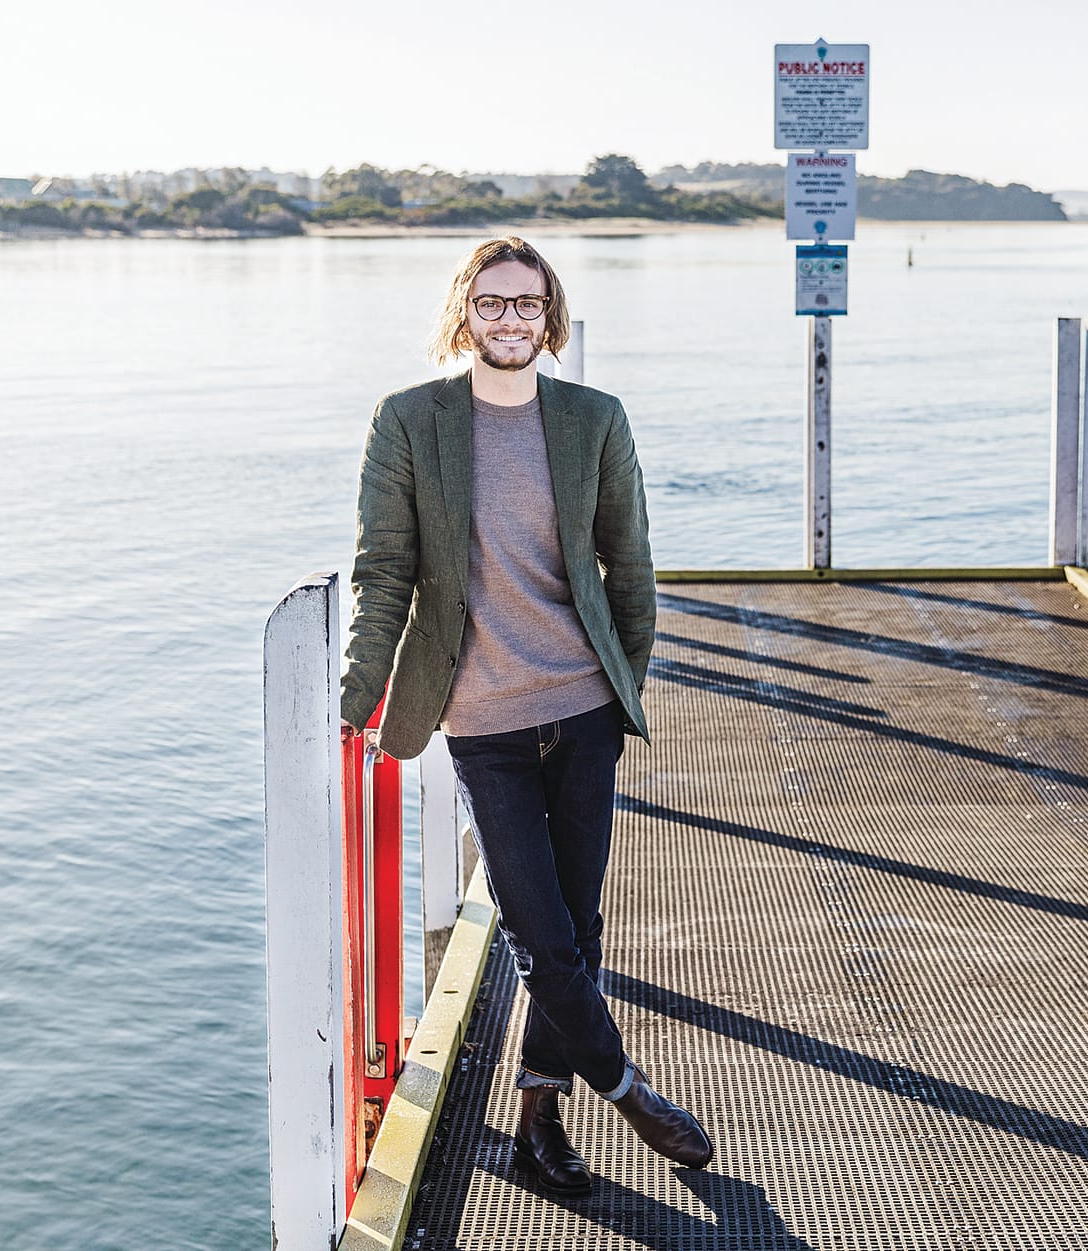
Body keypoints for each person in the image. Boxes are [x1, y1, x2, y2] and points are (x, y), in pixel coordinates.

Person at [337, 236, 710, 1193]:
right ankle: (627, 1088)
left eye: (529, 304)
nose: (511, 320)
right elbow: (383, 571)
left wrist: (624, 675)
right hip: (482, 721)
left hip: (581, 709)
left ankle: (540, 1123)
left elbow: (629, 562)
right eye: (493, 302)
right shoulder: (411, 421)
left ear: (552, 317)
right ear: (464, 310)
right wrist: (357, 692)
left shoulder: (592, 418)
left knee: (575, 927)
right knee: (538, 929)